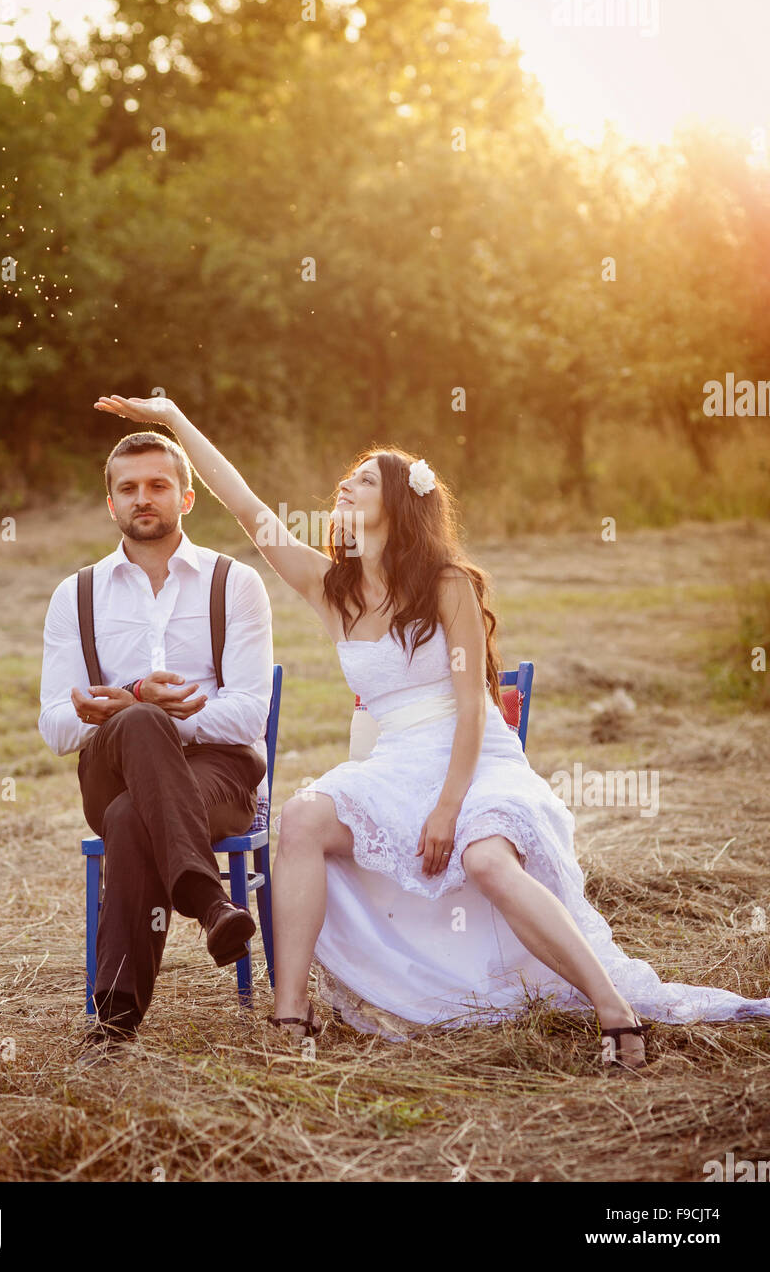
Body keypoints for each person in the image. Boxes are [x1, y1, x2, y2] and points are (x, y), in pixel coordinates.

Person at [94, 394, 770, 1073]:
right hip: (394, 761)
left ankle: (612, 1008)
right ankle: (291, 1016)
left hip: (471, 758)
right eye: (344, 481)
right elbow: (248, 509)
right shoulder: (335, 590)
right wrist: (176, 421)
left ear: (396, 502)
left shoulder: (448, 584)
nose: (343, 487)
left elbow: (474, 707)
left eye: (360, 481)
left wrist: (449, 806)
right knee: (299, 820)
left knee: (485, 860)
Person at [38, 431, 273, 1064]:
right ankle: (208, 900)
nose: (144, 498)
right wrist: (131, 702)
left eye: (158, 485)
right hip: (111, 767)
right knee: (137, 726)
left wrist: (169, 720)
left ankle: (114, 1018)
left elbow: (253, 710)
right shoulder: (76, 595)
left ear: (187, 497)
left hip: (220, 775)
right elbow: (56, 726)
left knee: (130, 815)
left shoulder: (236, 583)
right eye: (129, 488)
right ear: (109, 503)